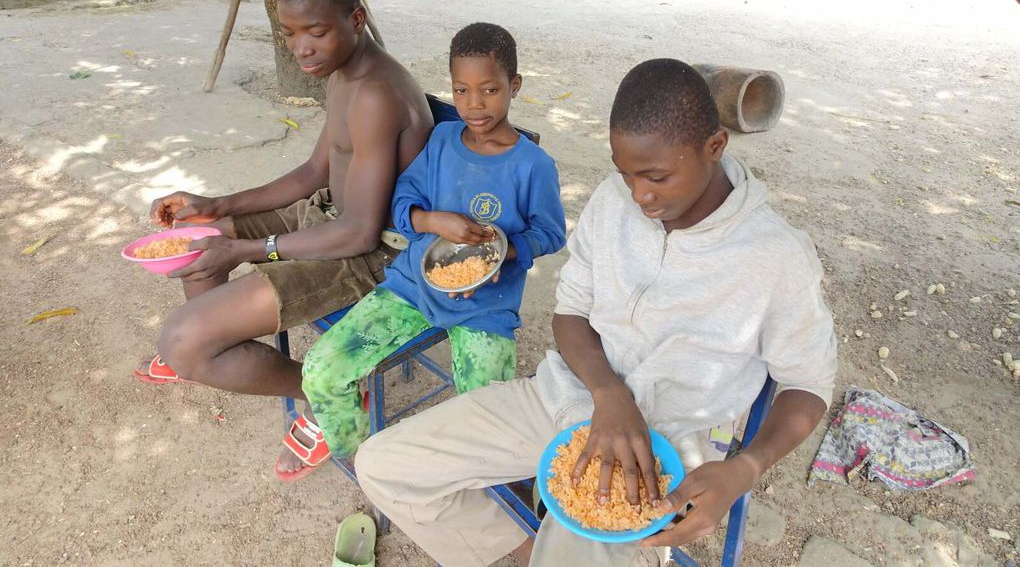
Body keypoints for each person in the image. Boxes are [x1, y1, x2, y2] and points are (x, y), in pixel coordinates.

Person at [354, 58, 838, 567]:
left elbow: (808, 383)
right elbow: (571, 312)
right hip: (564, 395)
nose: (640, 196)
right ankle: (525, 554)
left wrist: (748, 466)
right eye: (625, 174)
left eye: (656, 177)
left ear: (714, 147)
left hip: (665, 447)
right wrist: (608, 394)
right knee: (386, 465)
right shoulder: (614, 202)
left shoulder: (777, 257)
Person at [135, 0, 433, 481]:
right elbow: (315, 170)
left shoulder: (374, 95)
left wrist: (252, 249)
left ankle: (319, 392)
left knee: (182, 341)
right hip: (327, 219)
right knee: (198, 236)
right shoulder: (343, 72)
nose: (301, 48)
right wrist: (218, 205)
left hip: (370, 256)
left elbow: (362, 232)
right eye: (290, 33)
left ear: (356, 19)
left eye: (314, 32)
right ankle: (214, 342)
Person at [301, 22, 567, 459]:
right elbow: (403, 198)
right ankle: (364, 459)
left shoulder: (533, 165)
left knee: (489, 416)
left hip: (486, 304)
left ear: (514, 86)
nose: (474, 105)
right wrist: (432, 220)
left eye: (489, 90)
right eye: (461, 91)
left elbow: (550, 233)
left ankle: (474, 481)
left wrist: (501, 251)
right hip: (413, 287)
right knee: (321, 371)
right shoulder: (442, 141)